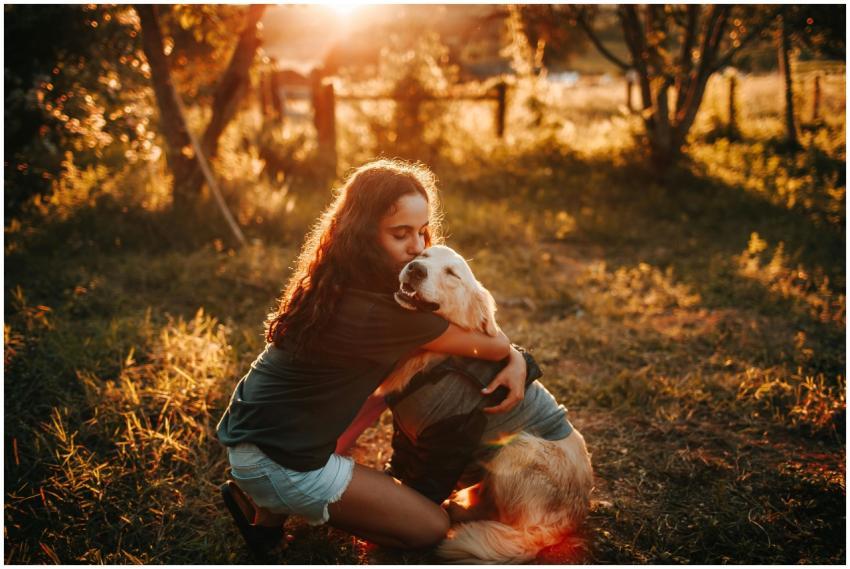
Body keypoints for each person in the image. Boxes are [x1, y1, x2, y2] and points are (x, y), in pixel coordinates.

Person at [215, 159, 529, 553]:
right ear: (364, 234)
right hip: (281, 462)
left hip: (249, 436)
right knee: (430, 527)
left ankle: (266, 520)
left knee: (377, 392)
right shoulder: (387, 315)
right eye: (401, 235)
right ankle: (280, 499)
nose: (417, 248)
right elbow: (493, 344)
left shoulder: (336, 279)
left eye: (422, 232)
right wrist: (518, 360)